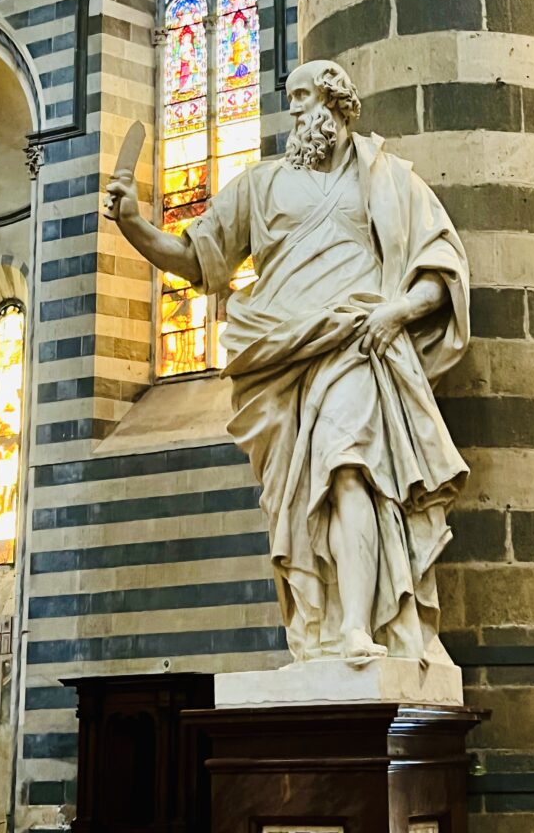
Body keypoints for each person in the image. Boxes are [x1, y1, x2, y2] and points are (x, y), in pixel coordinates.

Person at [106, 61, 470, 664]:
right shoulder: (262, 184)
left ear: (336, 103)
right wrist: (135, 225)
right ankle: (321, 626)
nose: (294, 111)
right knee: (299, 500)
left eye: (303, 97)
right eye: (291, 99)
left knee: (349, 467)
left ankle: (357, 627)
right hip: (277, 359)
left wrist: (398, 311)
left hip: (357, 342)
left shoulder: (385, 178)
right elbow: (196, 259)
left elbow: (442, 268)